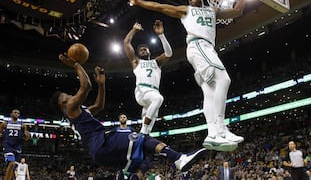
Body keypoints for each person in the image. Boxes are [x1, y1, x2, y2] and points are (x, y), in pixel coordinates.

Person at [126, 0, 246, 151]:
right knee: (224, 80)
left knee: (210, 90)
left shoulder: (212, 10)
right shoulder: (186, 10)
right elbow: (160, 6)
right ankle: (221, 128)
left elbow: (238, 11)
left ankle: (213, 133)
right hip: (198, 46)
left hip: (205, 49)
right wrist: (139, 2)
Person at [50, 54, 207, 180]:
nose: (71, 96)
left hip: (99, 153)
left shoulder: (79, 112)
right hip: (101, 143)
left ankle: (134, 176)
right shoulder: (70, 109)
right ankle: (179, 158)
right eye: (68, 95)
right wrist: (76, 65)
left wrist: (102, 84)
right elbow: (85, 86)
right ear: (62, 102)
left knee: (144, 159)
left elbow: (99, 106)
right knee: (141, 138)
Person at [123, 20, 172, 135]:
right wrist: (134, 30)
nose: (143, 51)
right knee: (158, 99)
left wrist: (161, 35)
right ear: (138, 53)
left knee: (148, 130)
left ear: (149, 51)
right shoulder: (136, 62)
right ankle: (144, 128)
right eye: (141, 50)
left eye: (145, 49)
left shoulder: (157, 62)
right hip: (143, 91)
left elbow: (169, 53)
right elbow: (126, 43)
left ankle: (143, 136)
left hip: (153, 91)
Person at [0, 109, 30, 180]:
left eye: (18, 113)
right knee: (12, 163)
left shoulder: (22, 125)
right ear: (11, 114)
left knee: (13, 169)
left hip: (17, 147)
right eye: (15, 112)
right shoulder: (5, 123)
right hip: (8, 146)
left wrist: (27, 135)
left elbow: (26, 137)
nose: (17, 113)